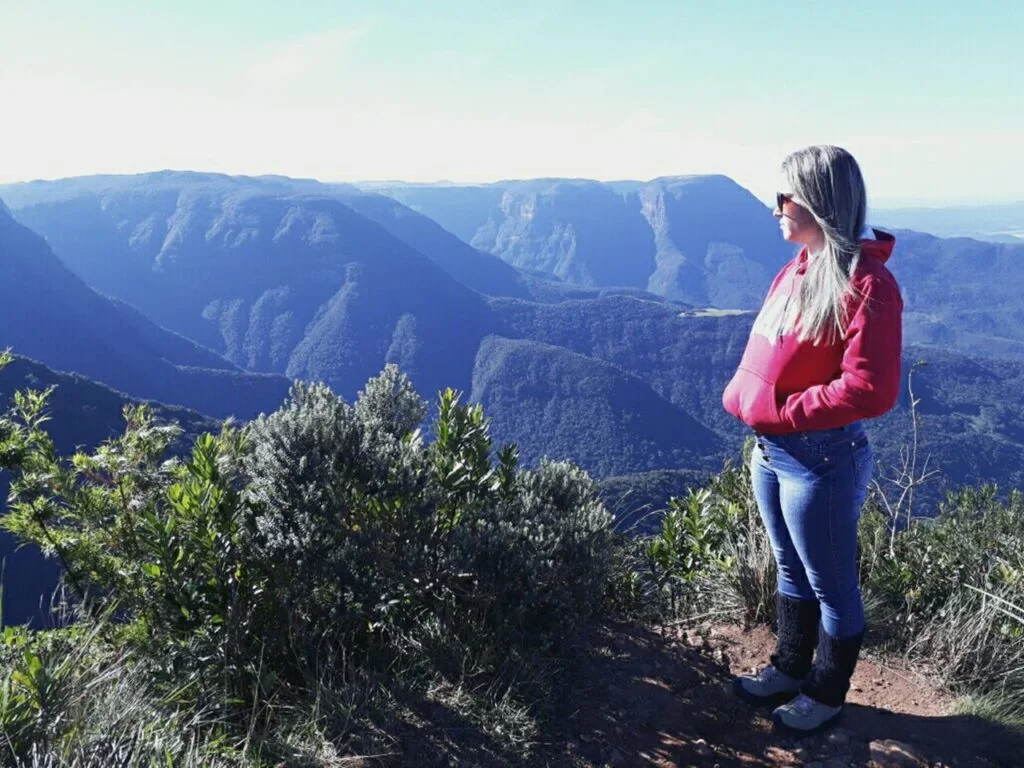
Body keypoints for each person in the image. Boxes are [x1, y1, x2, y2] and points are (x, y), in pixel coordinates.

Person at [721, 144, 903, 734]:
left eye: (785, 196)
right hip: (771, 451)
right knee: (789, 569)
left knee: (831, 584)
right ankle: (788, 668)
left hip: (820, 458)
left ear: (819, 202)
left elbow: (871, 391)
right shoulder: (795, 269)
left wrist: (785, 409)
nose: (775, 208)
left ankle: (825, 694)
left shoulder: (869, 284)